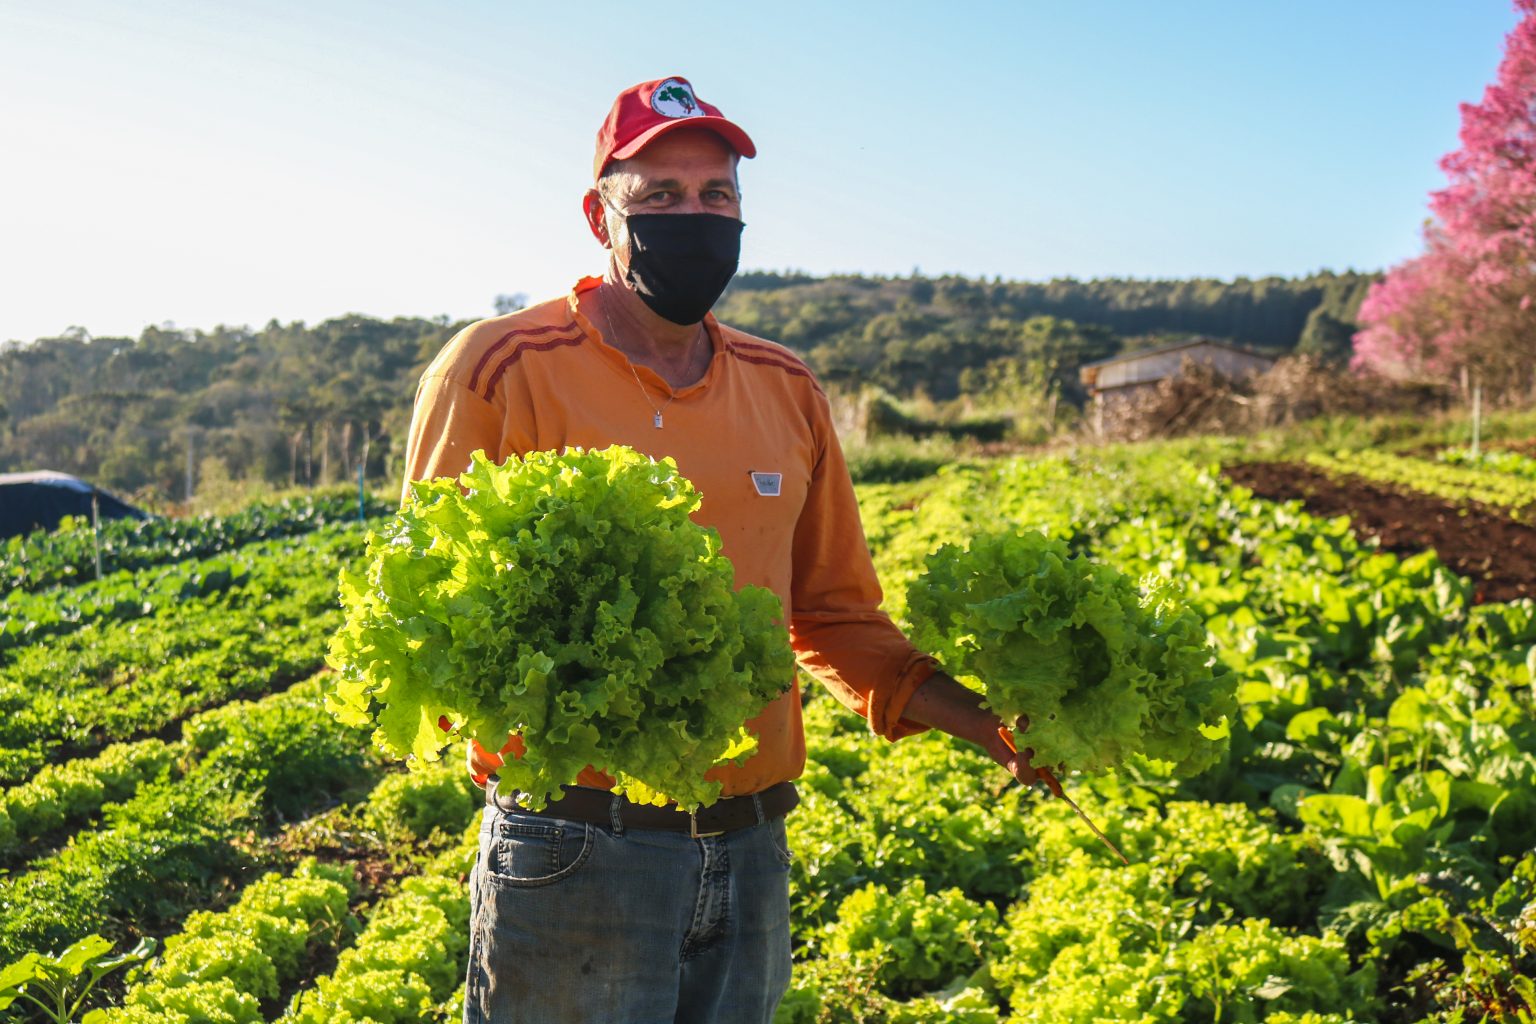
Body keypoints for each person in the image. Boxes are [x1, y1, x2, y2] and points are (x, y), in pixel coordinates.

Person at [400, 75, 1040, 1024]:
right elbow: (426, 615)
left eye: (716, 197)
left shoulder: (786, 388)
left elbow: (832, 617)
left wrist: (992, 724)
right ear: (598, 215)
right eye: (658, 198)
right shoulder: (501, 367)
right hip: (579, 848)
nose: (692, 218)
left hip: (750, 848)